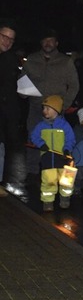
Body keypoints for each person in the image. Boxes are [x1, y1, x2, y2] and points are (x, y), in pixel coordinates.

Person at [23, 29, 79, 175]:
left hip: (56, 110)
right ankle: (32, 173)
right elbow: (22, 80)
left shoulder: (65, 61)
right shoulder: (31, 59)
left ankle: (56, 170)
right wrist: (22, 92)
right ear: (41, 42)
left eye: (51, 40)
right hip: (36, 107)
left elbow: (74, 85)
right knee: (33, 138)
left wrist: (64, 105)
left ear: (56, 43)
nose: (48, 43)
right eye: (45, 40)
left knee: (58, 140)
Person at [29, 95, 75, 212]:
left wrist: (66, 149)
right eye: (44, 108)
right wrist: (41, 144)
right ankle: (48, 201)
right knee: (48, 181)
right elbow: (34, 136)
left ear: (56, 110)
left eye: (47, 108)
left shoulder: (64, 125)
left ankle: (65, 198)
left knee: (66, 181)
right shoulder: (41, 126)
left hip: (63, 158)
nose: (44, 111)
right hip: (48, 158)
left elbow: (71, 139)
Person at [0, 21, 20, 197]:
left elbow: (10, 89)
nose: (7, 41)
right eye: (4, 37)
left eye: (11, 40)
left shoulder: (9, 59)